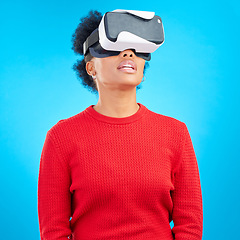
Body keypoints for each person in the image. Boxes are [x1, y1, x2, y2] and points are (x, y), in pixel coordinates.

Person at [38, 10, 203, 240]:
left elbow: (190, 227)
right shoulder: (61, 137)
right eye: (113, 48)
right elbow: (53, 232)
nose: (128, 53)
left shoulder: (176, 134)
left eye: (137, 50)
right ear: (91, 68)